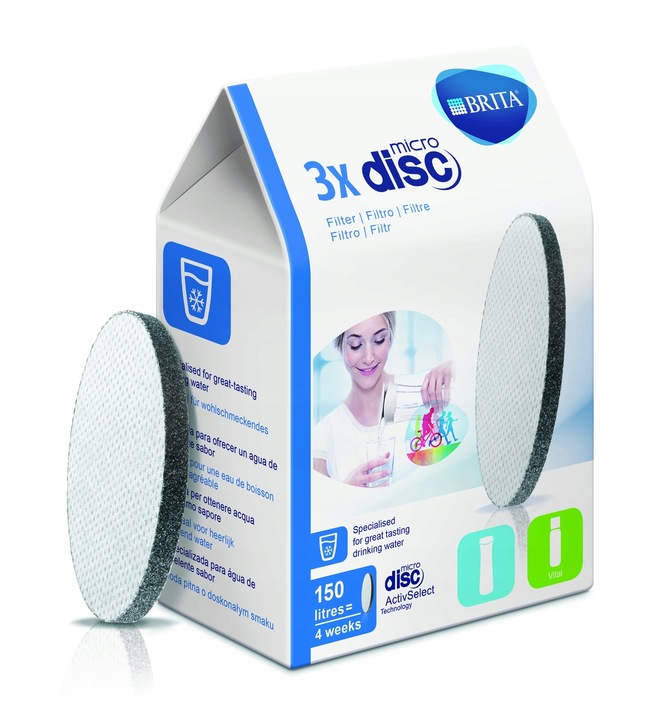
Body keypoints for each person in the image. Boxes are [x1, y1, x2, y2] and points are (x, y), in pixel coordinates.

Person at [313, 312, 453, 487]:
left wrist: (455, 368)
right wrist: (348, 492)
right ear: (340, 345)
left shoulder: (427, 392)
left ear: (390, 338)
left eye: (379, 341)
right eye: (355, 345)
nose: (369, 358)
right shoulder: (323, 435)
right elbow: (320, 502)